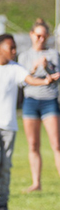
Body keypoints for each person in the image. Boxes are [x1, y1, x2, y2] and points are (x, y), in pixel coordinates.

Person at [0, 33, 59, 210]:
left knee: (6, 164)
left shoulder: (16, 68)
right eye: (11, 47)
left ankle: (3, 203)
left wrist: (45, 81)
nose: (15, 51)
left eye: (15, 47)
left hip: (8, 124)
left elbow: (29, 80)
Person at [18, 19, 60, 192]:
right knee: (33, 144)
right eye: (38, 35)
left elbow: (56, 76)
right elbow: (21, 81)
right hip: (30, 102)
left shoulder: (53, 54)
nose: (41, 39)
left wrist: (47, 67)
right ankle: (36, 182)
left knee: (56, 144)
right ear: (31, 35)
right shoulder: (24, 56)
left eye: (44, 36)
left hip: (49, 101)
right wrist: (34, 69)